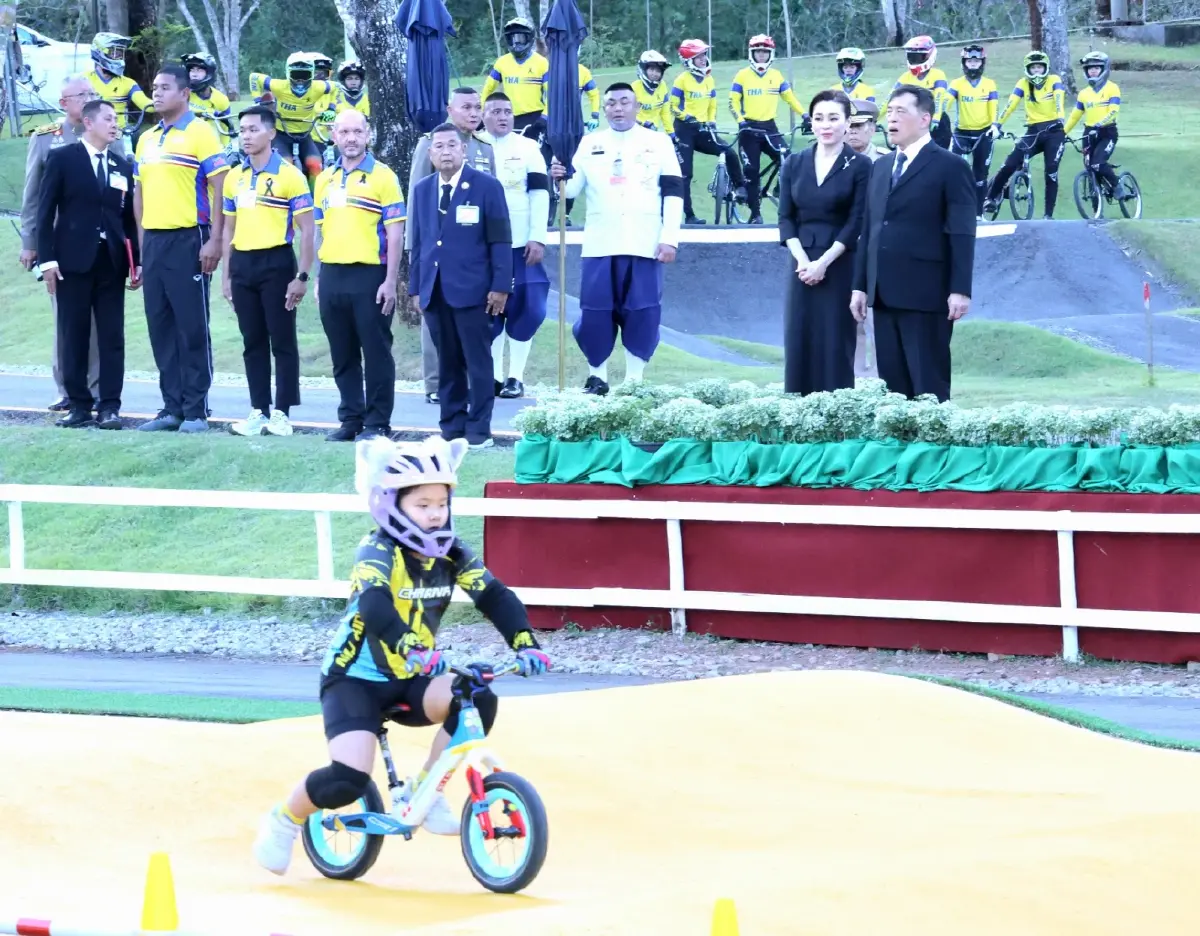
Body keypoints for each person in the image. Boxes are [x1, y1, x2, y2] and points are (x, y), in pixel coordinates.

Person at [252, 434, 550, 876]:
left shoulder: (453, 553)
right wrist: (410, 645)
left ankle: (425, 790)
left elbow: (493, 595)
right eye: (422, 504)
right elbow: (373, 606)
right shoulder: (377, 550)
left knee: (477, 697)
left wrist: (525, 641)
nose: (434, 514)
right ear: (391, 504)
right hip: (354, 679)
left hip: (414, 675)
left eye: (441, 504)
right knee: (347, 781)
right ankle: (283, 821)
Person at [550, 83, 683, 394]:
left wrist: (670, 238)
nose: (618, 108)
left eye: (625, 102)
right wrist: (558, 173)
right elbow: (569, 191)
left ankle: (634, 380)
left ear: (637, 107)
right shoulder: (589, 143)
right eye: (611, 103)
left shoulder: (658, 142)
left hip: (644, 242)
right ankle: (597, 376)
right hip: (600, 244)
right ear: (604, 108)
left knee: (642, 311)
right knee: (596, 312)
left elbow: (674, 193)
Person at [851, 86, 976, 403]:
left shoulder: (951, 167)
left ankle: (934, 449)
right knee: (893, 387)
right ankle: (901, 449)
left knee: (928, 384)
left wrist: (960, 288)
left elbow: (961, 232)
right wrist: (860, 285)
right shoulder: (880, 167)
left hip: (927, 293)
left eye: (900, 112)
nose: (891, 119)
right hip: (884, 291)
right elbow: (869, 229)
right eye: (889, 112)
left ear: (925, 119)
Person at [134, 63, 229, 434]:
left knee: (191, 327)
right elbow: (139, 193)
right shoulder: (146, 138)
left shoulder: (200, 132)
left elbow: (221, 187)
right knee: (160, 327)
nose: (156, 93)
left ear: (184, 93)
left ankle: (195, 410)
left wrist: (216, 239)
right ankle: (170, 407)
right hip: (154, 241)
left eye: (164, 87)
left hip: (190, 238)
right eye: (154, 87)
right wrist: (143, 244)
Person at [36, 99, 141, 430]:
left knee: (112, 337)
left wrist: (135, 262)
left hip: (110, 264)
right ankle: (79, 405)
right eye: (108, 119)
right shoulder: (62, 158)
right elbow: (44, 213)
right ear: (89, 122)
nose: (115, 124)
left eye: (116, 119)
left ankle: (110, 405)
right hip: (71, 263)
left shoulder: (122, 165)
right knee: (74, 334)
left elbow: (126, 220)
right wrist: (46, 260)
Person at [409, 124, 512, 449]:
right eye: (438, 147)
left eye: (452, 145)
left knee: (477, 362)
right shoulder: (423, 189)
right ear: (431, 154)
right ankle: (452, 427)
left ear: (463, 150)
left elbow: (500, 239)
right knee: (447, 362)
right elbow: (420, 241)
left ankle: (479, 429)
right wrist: (415, 288)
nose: (445, 152)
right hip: (436, 290)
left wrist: (500, 286)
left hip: (474, 291)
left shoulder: (486, 187)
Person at [220, 106, 315, 438]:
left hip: (277, 263)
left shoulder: (290, 175)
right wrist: (226, 275)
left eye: (253, 129)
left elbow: (307, 230)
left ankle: (282, 413)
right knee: (252, 340)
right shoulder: (235, 177)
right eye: (242, 130)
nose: (246, 136)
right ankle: (258, 410)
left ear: (271, 133)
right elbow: (228, 231)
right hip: (243, 265)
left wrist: (301, 276)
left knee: (282, 339)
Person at [313, 109, 405, 442]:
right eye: (344, 132)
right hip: (334, 275)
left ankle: (378, 422)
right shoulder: (324, 179)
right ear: (334, 136)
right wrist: (320, 278)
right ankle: (351, 419)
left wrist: (390, 281)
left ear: (368, 135)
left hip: (370, 275)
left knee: (376, 352)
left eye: (357, 132)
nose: (351, 139)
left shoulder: (384, 177)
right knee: (342, 353)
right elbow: (321, 232)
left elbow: (396, 232)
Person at [407, 88, 497, 406]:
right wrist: (412, 249)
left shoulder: (485, 148)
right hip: (436, 253)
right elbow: (416, 201)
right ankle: (434, 382)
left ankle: (471, 383)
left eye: (478, 107)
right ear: (450, 109)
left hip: (472, 254)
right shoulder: (429, 144)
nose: (474, 113)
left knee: (473, 326)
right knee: (436, 321)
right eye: (466, 107)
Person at [20, 76, 104, 411]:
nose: (90, 99)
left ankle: (95, 390)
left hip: (99, 241)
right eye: (84, 95)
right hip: (59, 245)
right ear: (64, 102)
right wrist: (30, 243)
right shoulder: (46, 139)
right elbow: (33, 196)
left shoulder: (105, 132)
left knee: (98, 322)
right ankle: (67, 389)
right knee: (65, 320)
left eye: (93, 94)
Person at [777, 91, 870, 395]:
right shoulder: (794, 162)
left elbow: (856, 221)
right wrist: (804, 261)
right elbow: (786, 217)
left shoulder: (859, 165)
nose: (825, 125)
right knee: (799, 335)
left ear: (846, 123)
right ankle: (797, 411)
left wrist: (823, 263)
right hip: (800, 262)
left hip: (839, 262)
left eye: (833, 118)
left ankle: (834, 411)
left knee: (835, 337)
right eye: (819, 118)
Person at [481, 92, 550, 399]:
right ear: (484, 115)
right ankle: (494, 376)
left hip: (521, 244)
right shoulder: (473, 146)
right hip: (482, 248)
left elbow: (539, 194)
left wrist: (538, 236)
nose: (503, 116)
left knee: (528, 307)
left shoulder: (529, 148)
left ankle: (515, 377)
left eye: (507, 111)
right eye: (495, 111)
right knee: (489, 312)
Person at [730, 35, 804, 225]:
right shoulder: (742, 75)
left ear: (770, 54)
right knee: (751, 171)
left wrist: (805, 115)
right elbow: (733, 102)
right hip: (748, 128)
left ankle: (781, 189)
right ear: (752, 54)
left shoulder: (776, 76)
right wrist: (740, 120)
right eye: (758, 52)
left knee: (787, 157)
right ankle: (755, 213)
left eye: (765, 52)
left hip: (770, 127)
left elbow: (790, 98)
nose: (761, 56)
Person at [671, 39, 746, 225]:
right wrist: (686, 116)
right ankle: (689, 216)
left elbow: (712, 104)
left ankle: (740, 187)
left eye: (704, 55)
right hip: (685, 130)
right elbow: (673, 106)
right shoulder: (681, 80)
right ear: (689, 60)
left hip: (704, 129)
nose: (703, 59)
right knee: (685, 174)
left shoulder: (709, 79)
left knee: (728, 152)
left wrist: (711, 121)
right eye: (699, 57)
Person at [984, 51, 1066, 220]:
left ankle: (1048, 215)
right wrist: (997, 125)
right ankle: (990, 198)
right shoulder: (1022, 83)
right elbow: (1011, 104)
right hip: (1033, 130)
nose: (1036, 71)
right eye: (1033, 68)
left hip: (1055, 131)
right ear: (1028, 69)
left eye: (1039, 67)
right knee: (1010, 163)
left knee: (1051, 171)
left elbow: (1059, 98)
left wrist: (1060, 117)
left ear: (1046, 68)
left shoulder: (1054, 80)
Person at [844, 99, 884, 379]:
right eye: (850, 126)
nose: (853, 132)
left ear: (872, 128)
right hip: (845, 250)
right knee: (851, 320)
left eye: (859, 126)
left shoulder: (886, 160)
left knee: (878, 319)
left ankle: (882, 378)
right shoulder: (834, 160)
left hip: (878, 250)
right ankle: (855, 378)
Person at [249, 53, 336, 181]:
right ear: (288, 74)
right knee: (285, 166)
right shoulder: (279, 86)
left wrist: (331, 109)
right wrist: (257, 100)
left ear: (311, 74)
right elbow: (254, 77)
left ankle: (314, 199)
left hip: (305, 135)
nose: (300, 81)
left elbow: (335, 88)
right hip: (282, 134)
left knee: (316, 166)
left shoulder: (318, 87)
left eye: (304, 75)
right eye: (296, 75)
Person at [1065, 51, 1127, 201]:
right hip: (1089, 133)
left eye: (1097, 68)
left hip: (1107, 132)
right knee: (1089, 168)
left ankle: (1117, 184)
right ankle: (1096, 210)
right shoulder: (1084, 94)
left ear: (1103, 69)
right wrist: (1062, 132)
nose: (1093, 70)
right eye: (1090, 68)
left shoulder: (1112, 88)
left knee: (1098, 163)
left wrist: (1101, 123)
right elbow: (1075, 115)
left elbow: (1113, 111)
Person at [947, 45, 999, 218]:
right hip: (961, 134)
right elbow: (946, 101)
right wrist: (937, 117)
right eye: (970, 61)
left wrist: (994, 125)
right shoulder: (957, 84)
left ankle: (978, 214)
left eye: (976, 61)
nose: (973, 64)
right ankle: (954, 212)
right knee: (955, 172)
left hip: (984, 134)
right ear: (964, 63)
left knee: (980, 176)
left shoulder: (989, 84)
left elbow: (993, 106)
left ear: (982, 63)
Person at [481, 19, 549, 145]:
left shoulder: (541, 63)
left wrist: (544, 118)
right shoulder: (502, 62)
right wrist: (483, 112)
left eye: (520, 38)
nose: (516, 43)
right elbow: (488, 88)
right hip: (508, 117)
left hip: (534, 118)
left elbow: (552, 95)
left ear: (529, 39)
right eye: (513, 39)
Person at [85, 33, 152, 132]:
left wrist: (166, 101)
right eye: (114, 53)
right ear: (99, 52)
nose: (118, 57)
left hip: (119, 133)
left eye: (120, 53)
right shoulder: (83, 80)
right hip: (90, 133)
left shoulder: (128, 83)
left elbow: (146, 105)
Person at [894, 36, 951, 149]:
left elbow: (939, 98)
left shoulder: (938, 75)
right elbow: (890, 99)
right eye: (912, 57)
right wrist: (874, 118)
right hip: (914, 120)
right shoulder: (905, 77)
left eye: (919, 57)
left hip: (937, 122)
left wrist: (935, 118)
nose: (915, 60)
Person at [182, 53, 234, 141]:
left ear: (209, 73)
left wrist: (224, 150)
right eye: (192, 70)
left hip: (209, 144)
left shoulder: (221, 99)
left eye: (199, 70)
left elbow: (226, 129)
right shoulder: (183, 94)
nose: (194, 74)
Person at [633, 50, 672, 133]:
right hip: (634, 133)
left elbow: (665, 113)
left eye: (658, 71)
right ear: (643, 69)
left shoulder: (662, 86)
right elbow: (626, 114)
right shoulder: (633, 88)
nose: (655, 73)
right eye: (651, 69)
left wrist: (671, 133)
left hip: (653, 133)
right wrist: (643, 124)